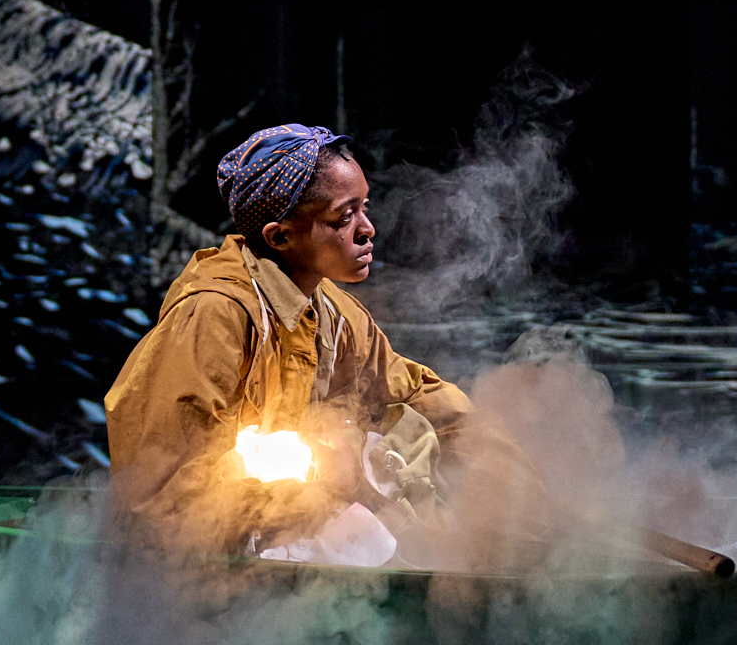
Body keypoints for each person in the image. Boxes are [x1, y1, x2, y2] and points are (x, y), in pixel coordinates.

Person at [104, 123, 544, 559]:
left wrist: (528, 505)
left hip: (291, 541)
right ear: (280, 236)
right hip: (210, 565)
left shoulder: (333, 313)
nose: (367, 229)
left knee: (406, 430)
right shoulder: (214, 316)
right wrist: (312, 495)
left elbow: (421, 397)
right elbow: (160, 490)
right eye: (343, 217)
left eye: (364, 208)